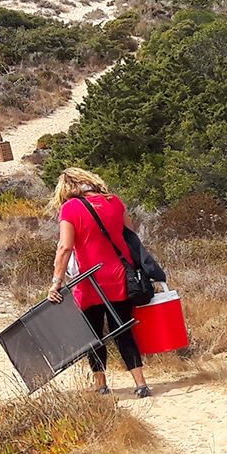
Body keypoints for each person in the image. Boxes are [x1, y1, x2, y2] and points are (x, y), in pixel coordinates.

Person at [46, 167, 166, 397]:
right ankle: (141, 383)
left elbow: (65, 247)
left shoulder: (70, 208)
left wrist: (56, 282)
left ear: (66, 188)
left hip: (90, 281)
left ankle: (100, 384)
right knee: (122, 330)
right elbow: (130, 237)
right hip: (121, 276)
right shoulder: (114, 202)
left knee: (92, 334)